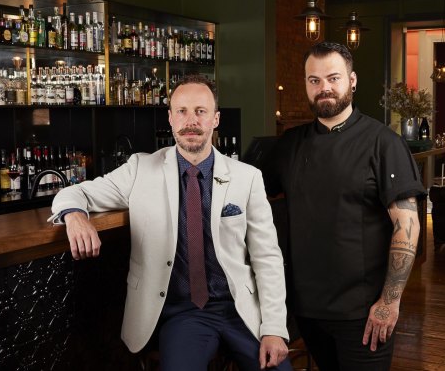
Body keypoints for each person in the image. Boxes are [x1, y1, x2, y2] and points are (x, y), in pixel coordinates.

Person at [49, 74, 292, 371]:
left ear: (215, 119)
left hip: (239, 308)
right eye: (182, 111)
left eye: (201, 112)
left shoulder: (247, 177)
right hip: (182, 313)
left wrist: (274, 328)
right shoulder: (140, 169)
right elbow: (74, 191)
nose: (191, 121)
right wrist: (74, 215)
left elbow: (268, 258)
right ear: (170, 118)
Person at [263, 42, 426, 370]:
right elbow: (249, 193)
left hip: (363, 313)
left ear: (352, 81)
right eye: (314, 80)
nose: (324, 88)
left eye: (333, 78)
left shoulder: (383, 143)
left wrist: (389, 302)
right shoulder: (289, 146)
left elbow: (407, 225)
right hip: (306, 309)